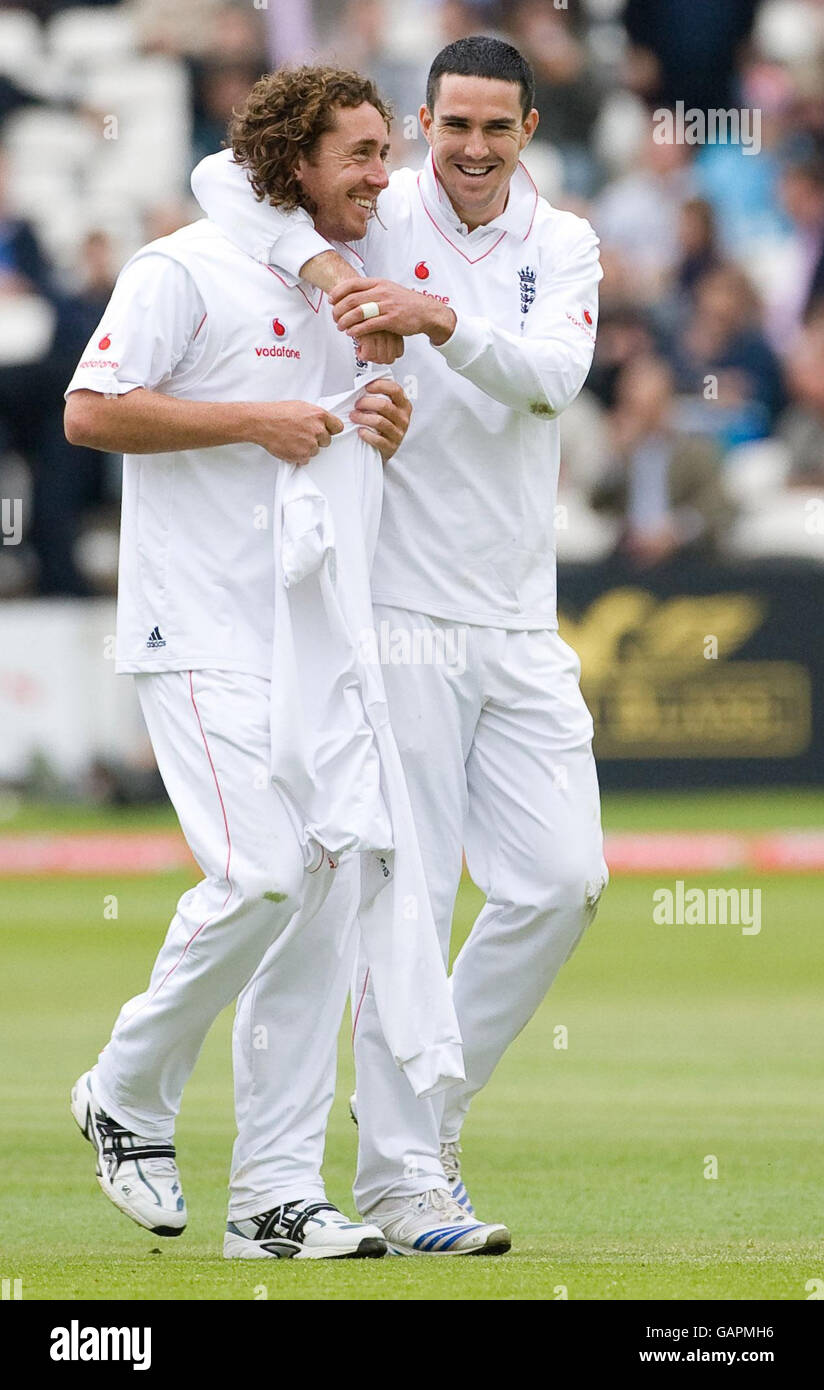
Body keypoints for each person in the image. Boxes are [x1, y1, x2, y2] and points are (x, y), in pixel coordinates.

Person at [192, 34, 609, 1255]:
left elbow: (552, 379)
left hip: (519, 616)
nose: (470, 151)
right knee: (408, 900)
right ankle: (404, 1179)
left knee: (561, 881)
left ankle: (420, 1117)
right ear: (425, 120)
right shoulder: (377, 209)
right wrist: (330, 270)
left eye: (496, 127)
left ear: (529, 126)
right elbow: (228, 182)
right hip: (397, 615)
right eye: (451, 126)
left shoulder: (564, 241)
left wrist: (437, 321)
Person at [62, 65, 476, 1262]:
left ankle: (274, 1198)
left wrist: (376, 427)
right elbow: (93, 413)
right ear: (292, 159)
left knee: (327, 891)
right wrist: (249, 418)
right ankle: (126, 1089)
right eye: (356, 154)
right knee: (264, 874)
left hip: (310, 636)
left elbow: (332, 445)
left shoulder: (335, 289)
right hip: (195, 629)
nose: (378, 178)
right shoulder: (177, 270)